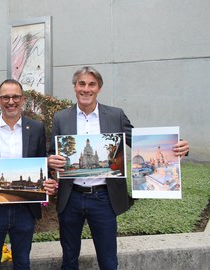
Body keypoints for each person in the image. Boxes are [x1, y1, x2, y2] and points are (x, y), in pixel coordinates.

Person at [43, 66, 190, 270]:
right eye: (82, 84)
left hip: (103, 198)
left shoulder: (115, 115)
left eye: (91, 84)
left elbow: (138, 141)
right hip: (71, 198)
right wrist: (51, 160)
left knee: (109, 261)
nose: (86, 89)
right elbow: (52, 152)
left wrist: (176, 146)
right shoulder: (61, 117)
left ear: (99, 88)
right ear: (74, 87)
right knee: (69, 259)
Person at [0, 79, 58, 270]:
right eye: (5, 97)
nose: (11, 101)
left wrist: (50, 181)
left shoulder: (37, 128)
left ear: (23, 99)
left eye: (15, 96)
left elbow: (43, 164)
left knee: (22, 262)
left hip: (25, 209)